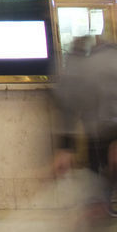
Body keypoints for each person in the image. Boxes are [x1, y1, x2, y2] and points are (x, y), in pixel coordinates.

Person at [52, 33, 117, 222]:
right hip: (102, 134)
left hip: (99, 136)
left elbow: (67, 106)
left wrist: (65, 148)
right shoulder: (107, 59)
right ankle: (101, 206)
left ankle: (98, 207)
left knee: (98, 180)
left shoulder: (82, 66)